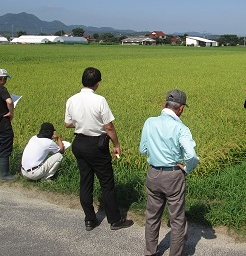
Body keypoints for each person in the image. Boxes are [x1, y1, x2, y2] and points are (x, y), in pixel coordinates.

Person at [65, 67, 133, 231]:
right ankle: (115, 220)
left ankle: (89, 219)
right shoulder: (99, 100)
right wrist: (116, 145)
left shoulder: (71, 99)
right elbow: (108, 127)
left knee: (85, 182)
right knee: (107, 183)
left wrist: (82, 122)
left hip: (79, 144)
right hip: (96, 145)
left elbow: (68, 123)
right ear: (98, 83)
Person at [140, 89, 200, 256]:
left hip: (153, 173)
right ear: (180, 108)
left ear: (164, 104)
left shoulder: (149, 122)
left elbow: (143, 149)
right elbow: (192, 156)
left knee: (152, 217)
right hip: (173, 175)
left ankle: (149, 253)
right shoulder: (181, 128)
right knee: (177, 220)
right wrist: (187, 168)